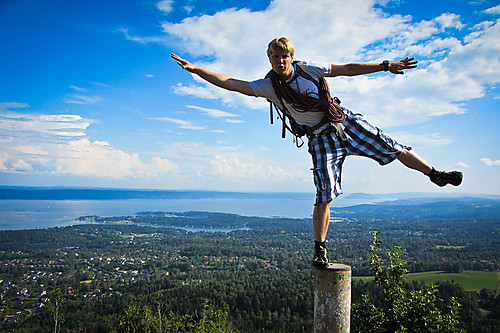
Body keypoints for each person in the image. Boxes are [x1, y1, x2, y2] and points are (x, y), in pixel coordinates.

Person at [171, 37, 463, 269]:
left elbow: (347, 68)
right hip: (321, 139)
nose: (280, 60)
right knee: (324, 194)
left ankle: (435, 174)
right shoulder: (269, 86)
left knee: (393, 145)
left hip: (342, 121)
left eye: (284, 56)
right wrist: (197, 70)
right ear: (269, 60)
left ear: (291, 56)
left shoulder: (309, 68)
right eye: (275, 57)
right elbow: (230, 83)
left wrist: (385, 65)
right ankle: (320, 250)